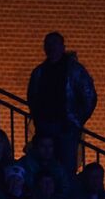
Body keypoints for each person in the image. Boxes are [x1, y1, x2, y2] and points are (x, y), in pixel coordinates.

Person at [26, 32, 97, 175]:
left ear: (62, 47)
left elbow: (89, 96)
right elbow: (32, 97)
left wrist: (77, 120)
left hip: (66, 127)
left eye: (55, 44)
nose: (51, 48)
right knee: (44, 166)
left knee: (66, 166)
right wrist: (38, 118)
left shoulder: (74, 70)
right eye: (48, 44)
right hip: (44, 126)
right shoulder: (39, 72)